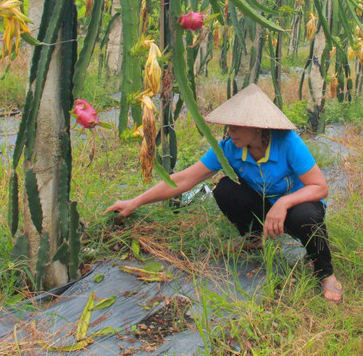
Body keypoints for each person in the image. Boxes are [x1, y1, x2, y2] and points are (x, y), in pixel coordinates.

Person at [105, 83, 343, 302]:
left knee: (306, 217)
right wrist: (135, 202)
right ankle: (253, 238)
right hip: (263, 205)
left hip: (297, 207)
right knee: (226, 190)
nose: (230, 131)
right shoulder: (229, 149)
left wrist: (284, 203)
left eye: (236, 125)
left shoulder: (288, 143)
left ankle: (325, 273)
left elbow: (320, 187)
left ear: (257, 126)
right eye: (228, 125)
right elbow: (184, 179)